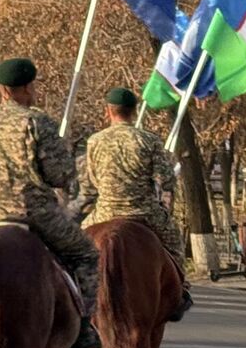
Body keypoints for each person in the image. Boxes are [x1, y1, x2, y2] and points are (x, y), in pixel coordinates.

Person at [0, 57, 101, 348]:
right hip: (35, 214)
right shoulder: (38, 122)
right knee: (87, 254)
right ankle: (85, 327)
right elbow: (60, 175)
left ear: (1, 90)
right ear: (26, 88)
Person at [80, 87, 191, 319]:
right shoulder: (148, 140)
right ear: (134, 111)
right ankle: (181, 288)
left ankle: (75, 290)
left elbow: (90, 185)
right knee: (174, 240)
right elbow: (166, 180)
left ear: (108, 111)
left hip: (105, 212)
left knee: (78, 245)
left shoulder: (95, 141)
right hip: (144, 212)